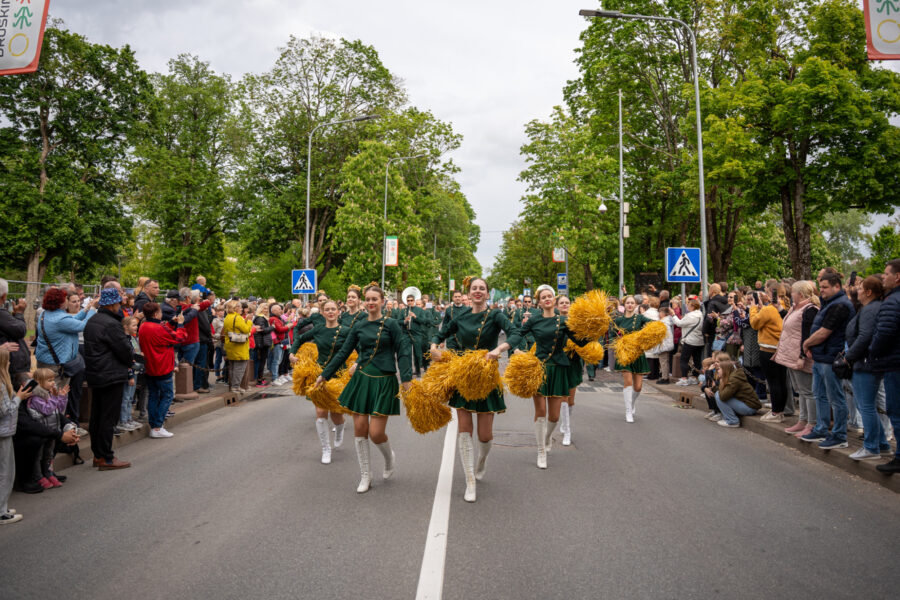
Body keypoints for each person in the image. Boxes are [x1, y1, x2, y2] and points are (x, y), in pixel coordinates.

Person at [315, 284, 412, 494]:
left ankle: (389, 458)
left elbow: (403, 352)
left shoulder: (392, 324)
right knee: (360, 430)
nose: (370, 302)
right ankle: (366, 476)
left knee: (376, 433)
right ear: (363, 302)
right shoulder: (358, 326)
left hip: (384, 381)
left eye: (374, 299)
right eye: (367, 299)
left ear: (382, 302)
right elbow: (342, 353)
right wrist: (325, 375)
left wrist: (406, 379)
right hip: (361, 380)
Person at [431, 277, 520, 501]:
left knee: (485, 435)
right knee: (464, 429)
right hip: (463, 376)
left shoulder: (495, 315)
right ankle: (470, 480)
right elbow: (440, 334)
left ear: (487, 294)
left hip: (486, 378)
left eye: (482, 288)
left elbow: (516, 333)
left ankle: (481, 460)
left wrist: (499, 349)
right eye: (474, 289)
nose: (478, 291)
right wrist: (433, 347)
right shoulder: (459, 316)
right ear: (469, 293)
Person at [517, 285, 585, 468]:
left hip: (559, 368)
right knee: (540, 412)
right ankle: (541, 451)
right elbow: (517, 334)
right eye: (543, 297)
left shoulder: (563, 321)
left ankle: (547, 438)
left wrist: (593, 329)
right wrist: (517, 350)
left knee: (554, 417)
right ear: (539, 302)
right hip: (538, 368)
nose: (547, 299)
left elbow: (580, 341)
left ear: (554, 300)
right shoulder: (534, 320)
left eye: (550, 296)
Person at [290, 299, 349, 465]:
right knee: (321, 414)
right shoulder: (319, 329)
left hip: (338, 376)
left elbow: (360, 348)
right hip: (320, 376)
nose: (330, 312)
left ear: (338, 312)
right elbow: (299, 338)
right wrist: (292, 353)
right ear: (322, 313)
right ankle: (326, 449)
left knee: (336, 415)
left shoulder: (345, 331)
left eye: (333, 309)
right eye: (327, 309)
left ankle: (339, 429)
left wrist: (358, 365)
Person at [800, 272, 855, 450]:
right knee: (819, 394)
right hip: (821, 356)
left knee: (836, 398)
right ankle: (821, 428)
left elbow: (825, 331)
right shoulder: (829, 303)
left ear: (837, 286)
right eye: (820, 287)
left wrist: (807, 343)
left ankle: (839, 435)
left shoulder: (840, 305)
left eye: (824, 287)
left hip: (830, 357)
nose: (821, 291)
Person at [83, 288, 134, 470]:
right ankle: (106, 457)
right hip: (110, 374)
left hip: (97, 373)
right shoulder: (111, 324)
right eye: (119, 303)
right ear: (112, 304)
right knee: (108, 417)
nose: (120, 306)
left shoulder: (94, 320)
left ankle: (98, 454)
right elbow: (124, 350)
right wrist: (130, 360)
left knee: (97, 415)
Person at [843, 276, 888, 460]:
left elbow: (865, 336)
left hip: (865, 363)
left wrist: (849, 356)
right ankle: (882, 443)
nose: (856, 291)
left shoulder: (870, 309)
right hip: (866, 362)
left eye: (860, 289)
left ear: (869, 292)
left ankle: (871, 447)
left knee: (866, 405)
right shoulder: (870, 308)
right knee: (867, 405)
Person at [773, 281, 820, 438]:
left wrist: (801, 355)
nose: (790, 294)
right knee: (800, 390)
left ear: (800, 294)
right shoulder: (796, 308)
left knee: (807, 391)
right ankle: (802, 420)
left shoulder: (810, 310)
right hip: (791, 355)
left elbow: (808, 335)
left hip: (801, 357)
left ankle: (811, 423)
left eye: (792, 292)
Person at [138, 302, 188, 438]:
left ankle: (154, 424)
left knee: (154, 396)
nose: (161, 314)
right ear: (155, 314)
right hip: (162, 366)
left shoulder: (143, 326)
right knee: (167, 395)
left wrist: (172, 322)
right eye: (160, 312)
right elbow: (180, 337)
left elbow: (165, 332)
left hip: (150, 366)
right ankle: (157, 426)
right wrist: (181, 324)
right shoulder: (158, 328)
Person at [870, 259, 900, 474]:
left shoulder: (892, 301)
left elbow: (885, 333)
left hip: (894, 363)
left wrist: (873, 351)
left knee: (896, 412)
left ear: (897, 276)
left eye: (886, 273)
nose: (883, 277)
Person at [1, 348, 34, 523]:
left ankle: (2, 505)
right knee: (5, 472)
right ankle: (1, 512)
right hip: (3, 432)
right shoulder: (0, 384)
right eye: (7, 360)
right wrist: (19, 397)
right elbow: (5, 410)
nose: (10, 363)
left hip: (5, 431)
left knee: (5, 470)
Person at [613, 295, 653, 423]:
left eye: (632, 303)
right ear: (624, 305)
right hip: (624, 354)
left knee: (638, 387)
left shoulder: (640, 318)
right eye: (628, 303)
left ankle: (632, 403)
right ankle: (628, 410)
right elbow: (614, 336)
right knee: (628, 383)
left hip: (638, 353)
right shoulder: (619, 320)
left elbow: (654, 324)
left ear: (636, 305)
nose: (630, 305)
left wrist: (645, 337)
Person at [749, 292, 788, 422]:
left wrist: (753, 309)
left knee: (773, 382)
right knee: (782, 381)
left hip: (768, 348)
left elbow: (755, 323)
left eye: (766, 290)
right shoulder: (784, 307)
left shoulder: (769, 309)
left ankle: (776, 412)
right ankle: (780, 411)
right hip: (781, 348)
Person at [555, 295, 581, 445]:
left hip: (574, 362)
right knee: (563, 397)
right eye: (562, 303)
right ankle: (567, 431)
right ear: (557, 306)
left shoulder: (577, 322)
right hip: (560, 362)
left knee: (571, 400)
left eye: (567, 302)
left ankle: (565, 424)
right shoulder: (554, 321)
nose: (564, 305)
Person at [707, 360, 762, 428]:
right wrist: (714, 387)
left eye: (719, 369)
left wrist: (720, 385)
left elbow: (723, 397)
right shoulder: (732, 376)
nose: (717, 371)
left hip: (750, 407)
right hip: (746, 405)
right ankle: (729, 418)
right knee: (718, 394)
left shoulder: (734, 379)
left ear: (725, 370)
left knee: (718, 395)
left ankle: (732, 421)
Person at [0, 279, 30, 381]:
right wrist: (19, 313)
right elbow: (20, 330)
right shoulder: (1, 314)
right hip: (10, 371)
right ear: (4, 296)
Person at [673, 298, 704, 386]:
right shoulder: (700, 314)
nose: (687, 306)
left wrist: (673, 315)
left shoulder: (690, 316)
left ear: (693, 306)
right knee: (697, 360)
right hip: (699, 341)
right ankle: (694, 377)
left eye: (688, 305)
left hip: (690, 341)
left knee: (684, 360)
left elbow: (679, 323)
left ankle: (684, 378)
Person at [398, 294, 426, 377]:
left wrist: (415, 316)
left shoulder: (419, 310)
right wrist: (404, 321)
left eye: (411, 300)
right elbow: (398, 321)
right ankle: (409, 372)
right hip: (406, 334)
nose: (409, 302)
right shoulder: (403, 311)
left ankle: (418, 371)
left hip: (417, 334)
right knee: (407, 354)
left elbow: (424, 321)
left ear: (414, 301)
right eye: (408, 301)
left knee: (417, 354)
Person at [268, 303, 292, 386]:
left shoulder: (278, 318)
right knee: (276, 361)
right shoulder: (273, 318)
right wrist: (288, 326)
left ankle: (277, 377)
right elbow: (280, 329)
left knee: (279, 360)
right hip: (277, 342)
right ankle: (275, 378)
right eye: (278, 309)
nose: (281, 310)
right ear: (274, 310)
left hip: (281, 342)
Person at [251, 303, 274, 387]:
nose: (266, 310)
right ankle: (259, 380)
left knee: (262, 361)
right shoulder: (260, 318)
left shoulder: (262, 317)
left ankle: (260, 378)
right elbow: (262, 330)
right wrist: (272, 327)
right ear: (260, 309)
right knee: (261, 361)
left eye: (267, 308)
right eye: (264, 308)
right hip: (261, 342)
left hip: (263, 341)